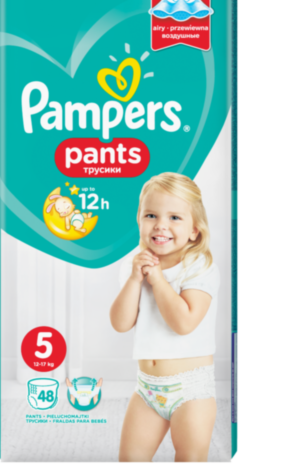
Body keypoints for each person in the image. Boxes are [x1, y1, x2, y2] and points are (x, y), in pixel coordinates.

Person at [110, 173, 221, 464]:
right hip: (147, 388)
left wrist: (157, 280)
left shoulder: (199, 266)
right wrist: (134, 280)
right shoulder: (135, 264)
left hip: (191, 389)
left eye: (174, 217)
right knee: (130, 458)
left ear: (194, 230)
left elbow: (184, 323)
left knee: (189, 458)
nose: (160, 224)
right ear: (139, 219)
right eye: (151, 215)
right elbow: (121, 324)